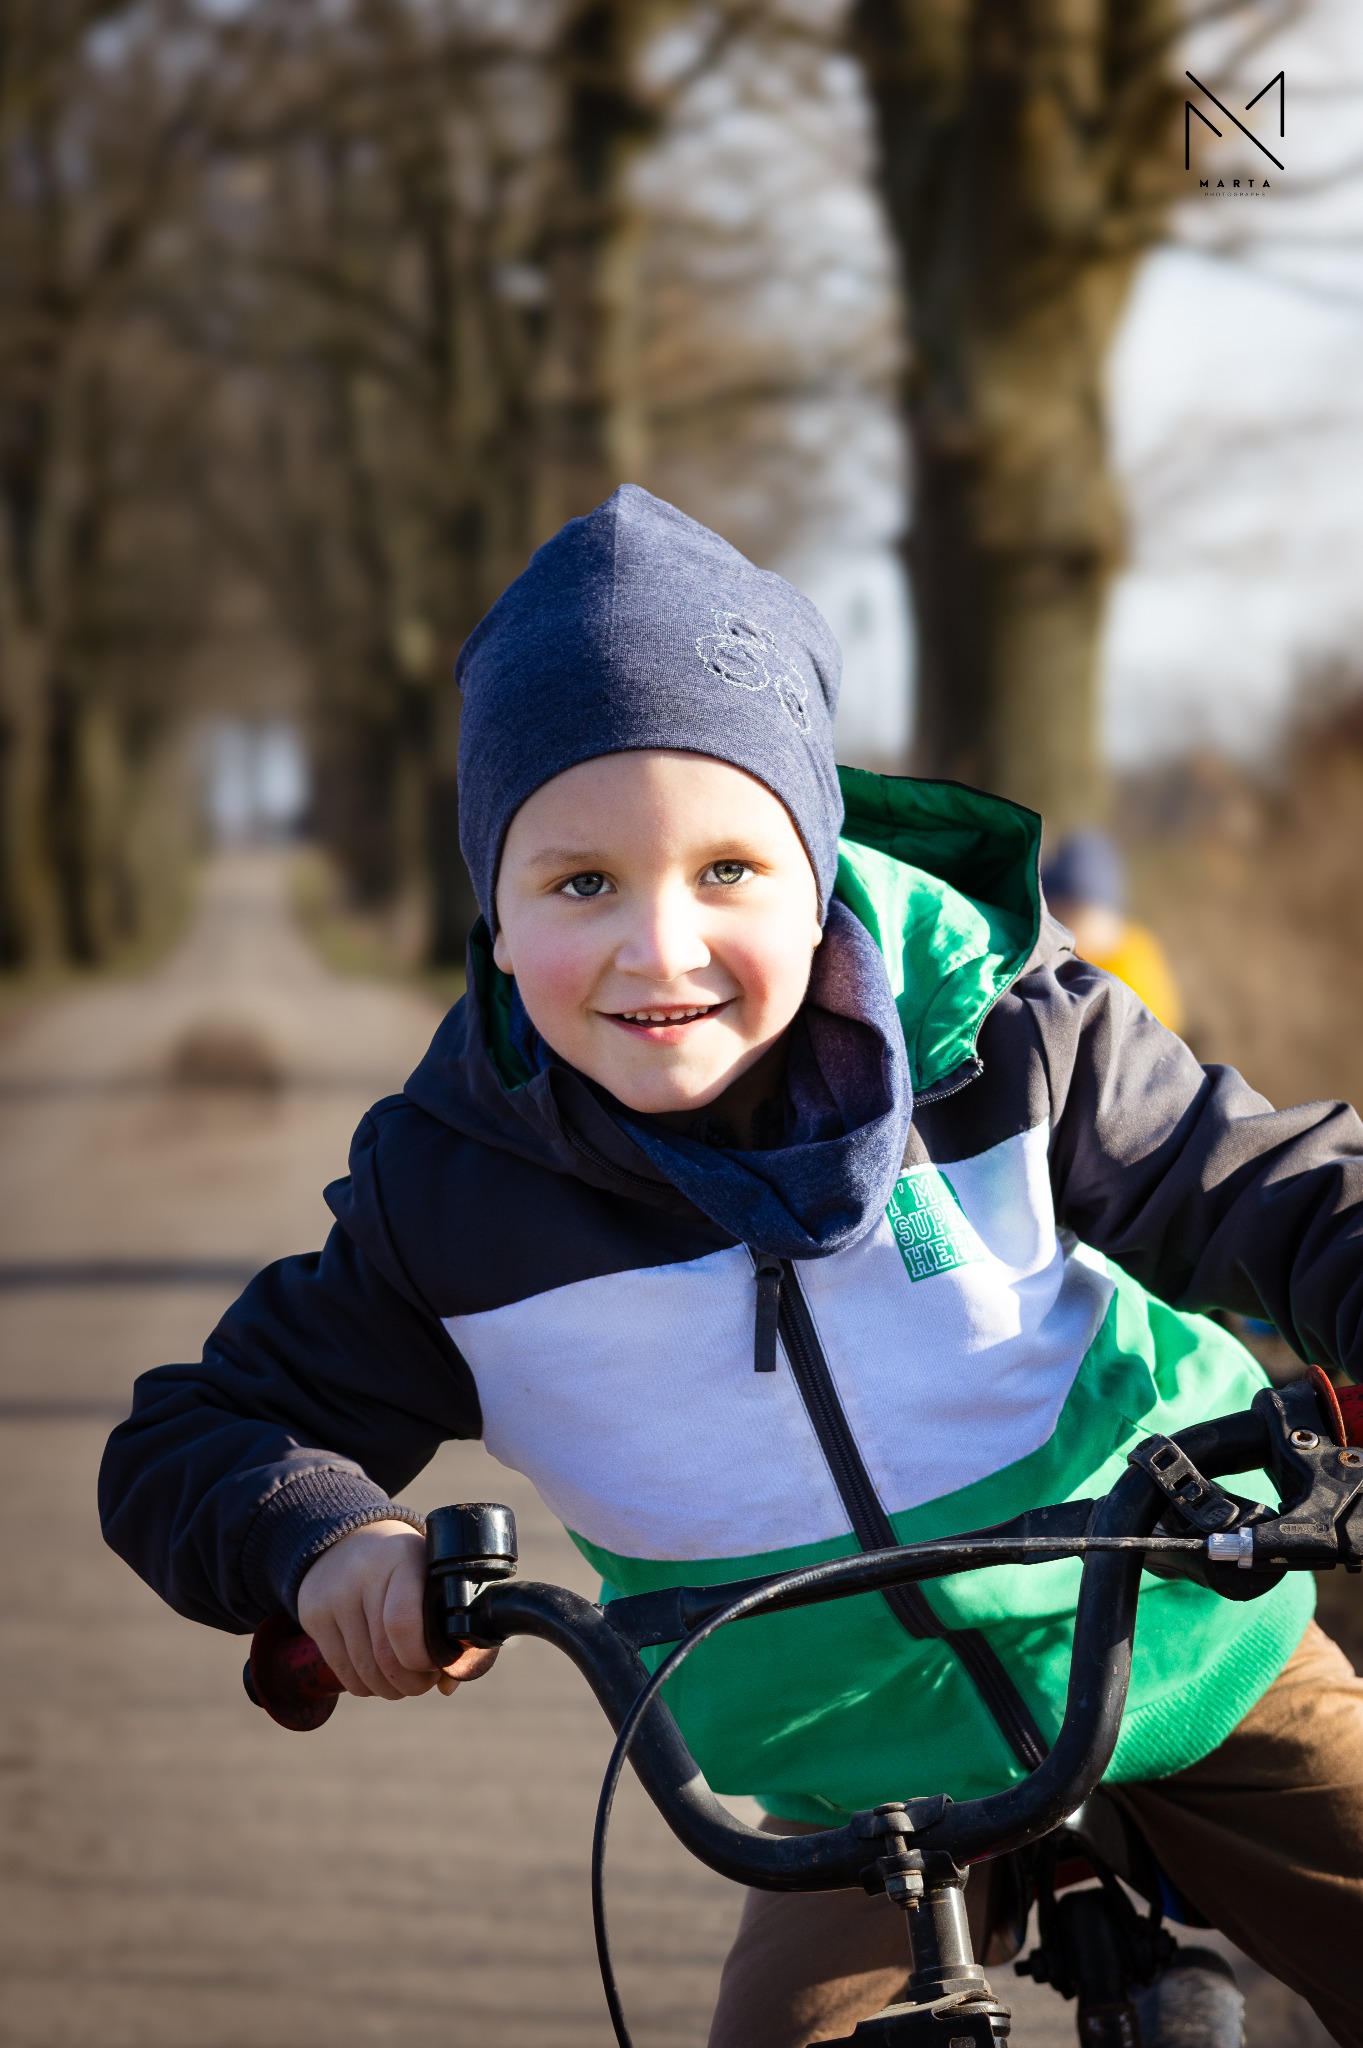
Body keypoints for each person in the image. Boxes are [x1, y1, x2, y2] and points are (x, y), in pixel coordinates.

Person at [99, 487, 1363, 2048]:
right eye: (577, 885)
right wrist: (322, 1541)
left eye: (725, 872)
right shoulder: (453, 1202)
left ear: (816, 869)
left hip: (1186, 1645)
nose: (658, 950)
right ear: (489, 920)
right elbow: (193, 1435)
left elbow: (1270, 1187)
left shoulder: (1009, 1038)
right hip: (854, 1774)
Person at [1041, 828, 1183, 1033]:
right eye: (1059, 918)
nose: (1071, 932)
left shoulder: (1133, 972)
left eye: (1078, 917)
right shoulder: (1052, 966)